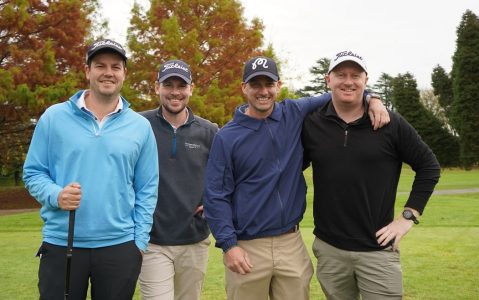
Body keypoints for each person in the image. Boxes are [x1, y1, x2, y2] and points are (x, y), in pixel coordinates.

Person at [203, 56, 389, 300]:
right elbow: (216, 195)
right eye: (255, 84)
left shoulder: (293, 112)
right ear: (244, 87)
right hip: (247, 246)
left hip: (291, 243)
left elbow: (341, 90)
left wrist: (373, 98)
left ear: (278, 85)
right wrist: (229, 246)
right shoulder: (227, 137)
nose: (263, 91)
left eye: (269, 84)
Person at [23, 39, 159, 300]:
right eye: (100, 65)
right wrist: (56, 194)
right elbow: (33, 172)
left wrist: (138, 243)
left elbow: (147, 187)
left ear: (124, 74)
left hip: (120, 247)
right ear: (87, 71)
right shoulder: (54, 117)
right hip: (62, 243)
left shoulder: (140, 126)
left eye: (115, 67)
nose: (108, 72)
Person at [302, 50, 441, 299]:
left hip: (377, 250)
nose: (348, 81)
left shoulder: (390, 123)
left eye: (356, 75)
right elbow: (283, 166)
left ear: (366, 80)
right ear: (328, 80)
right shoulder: (312, 123)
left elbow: (429, 166)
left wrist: (408, 216)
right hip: (329, 250)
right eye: (341, 74)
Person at [138, 60, 218, 300]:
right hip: (152, 241)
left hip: (194, 239)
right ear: (156, 87)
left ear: (191, 89)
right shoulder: (139, 126)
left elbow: (225, 177)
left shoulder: (209, 131)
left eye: (181, 85)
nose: (175, 92)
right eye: (168, 84)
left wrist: (214, 202)